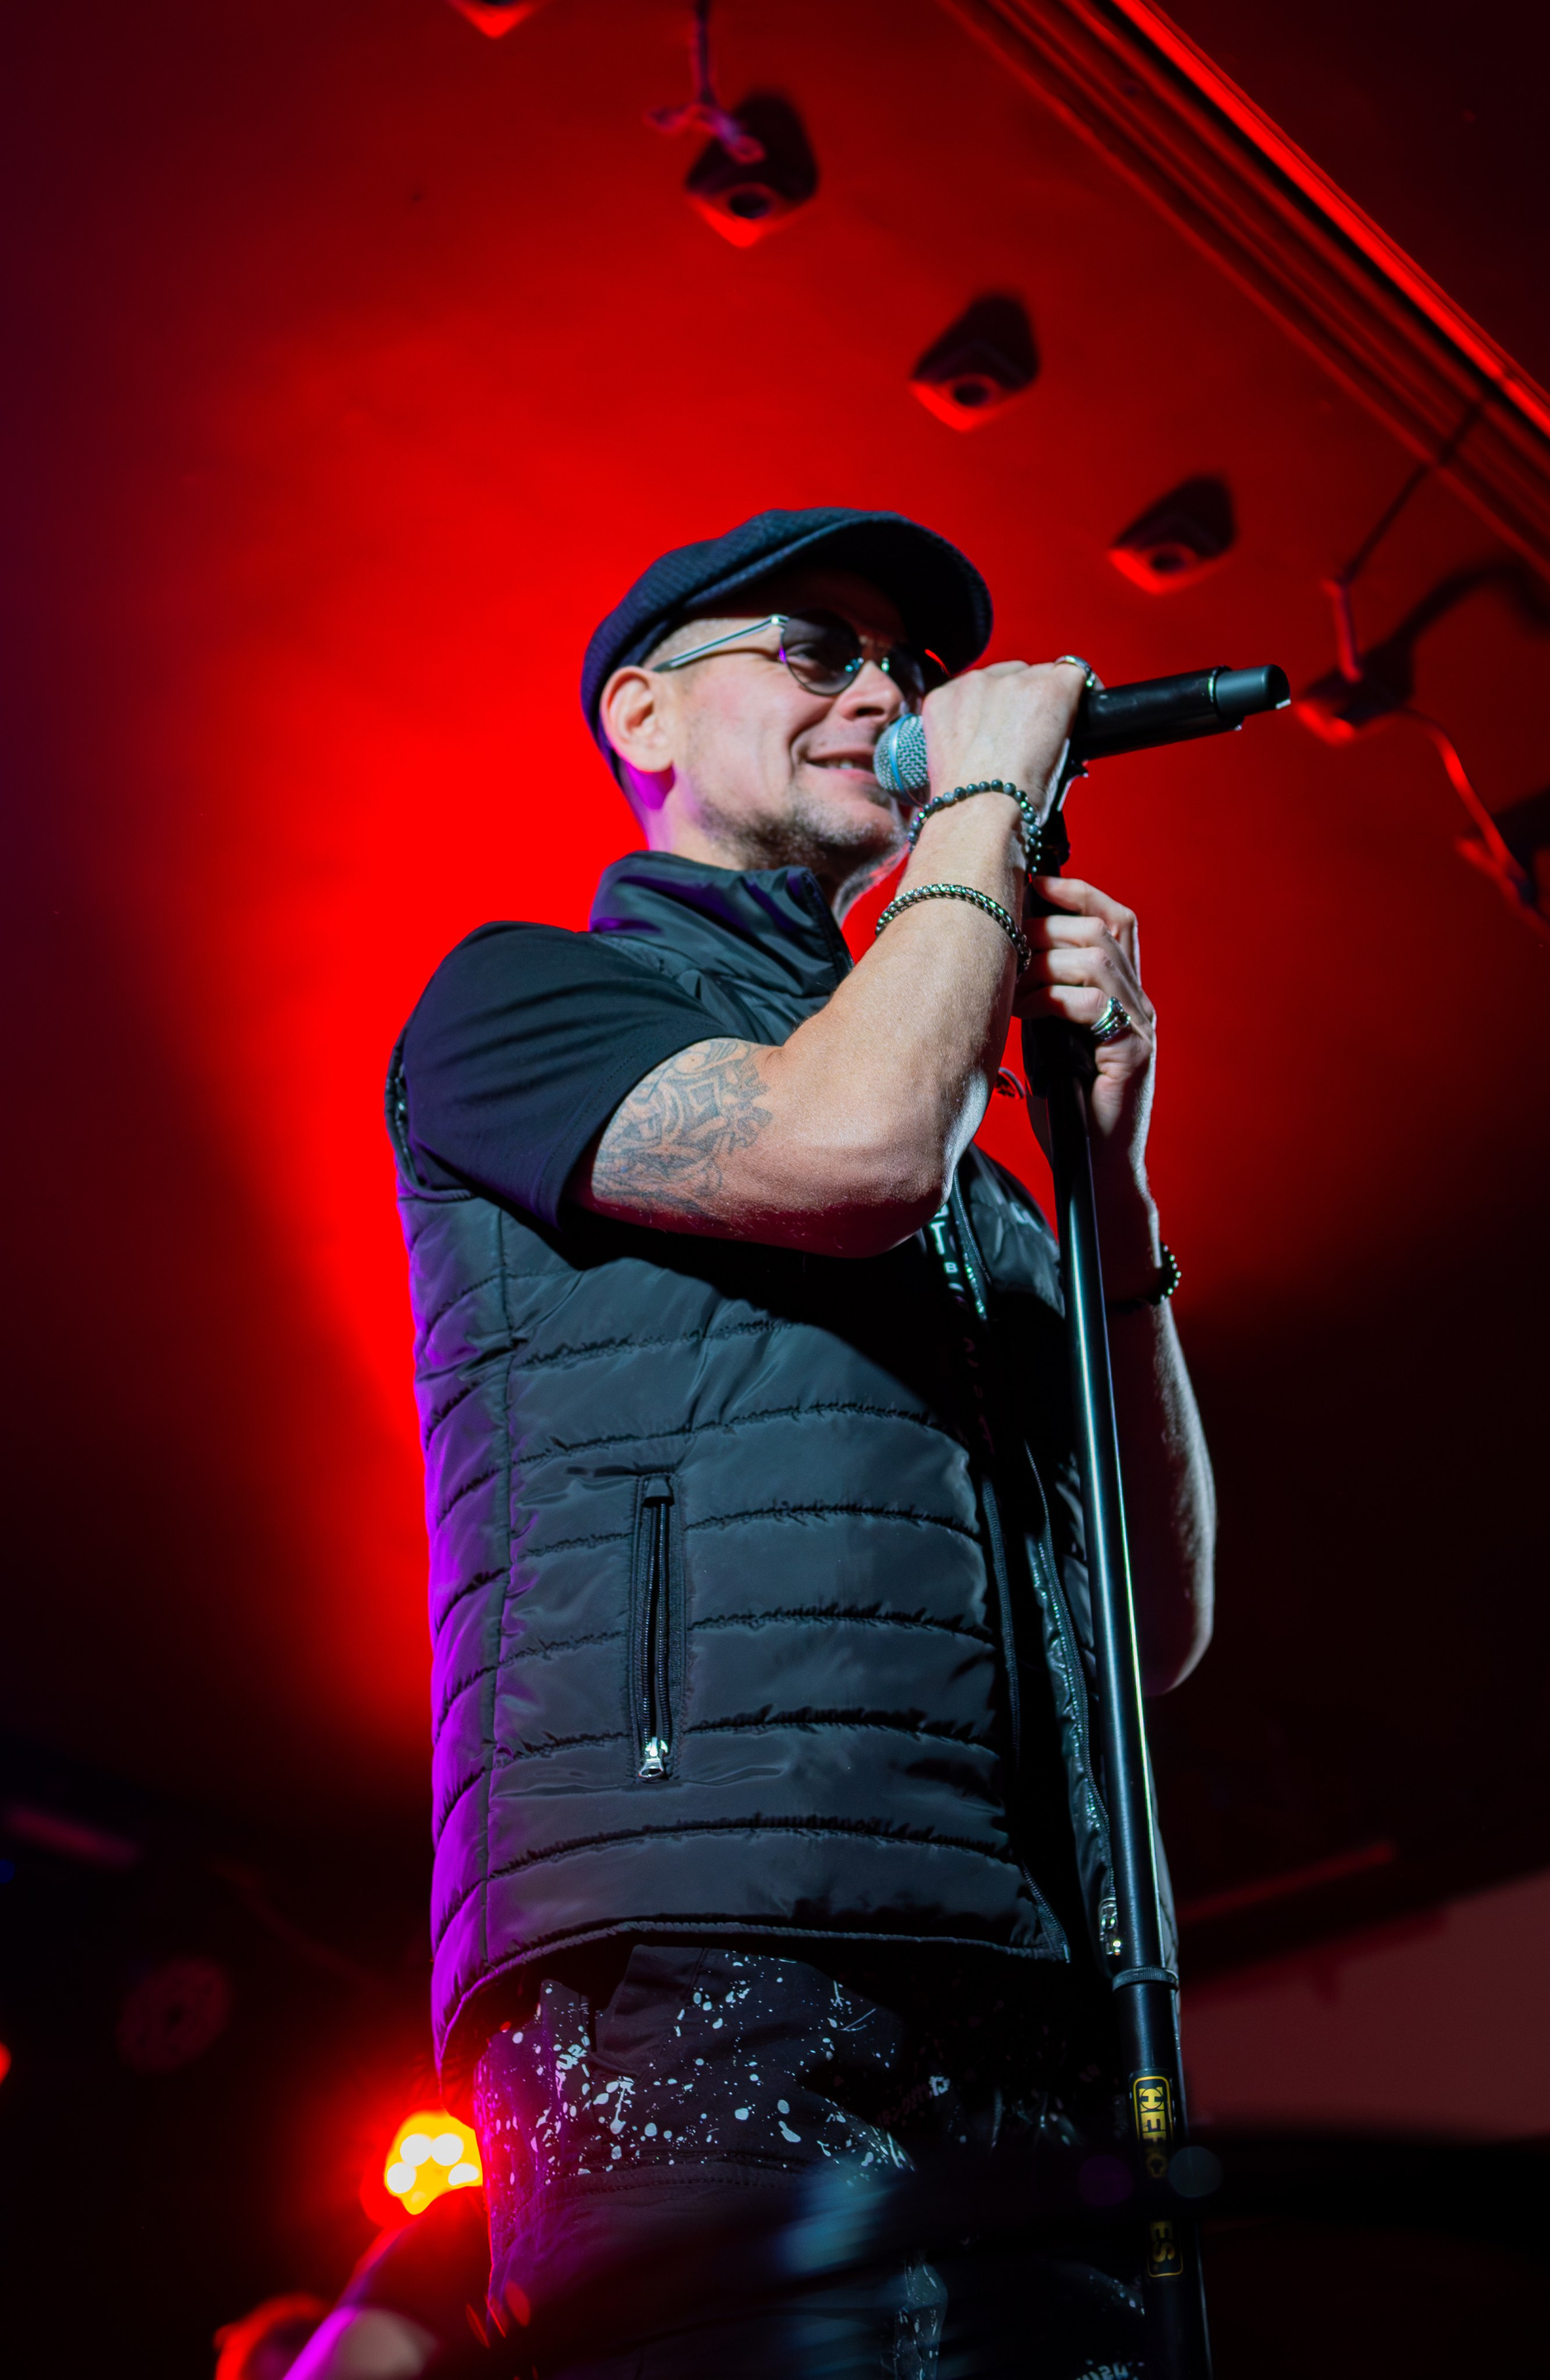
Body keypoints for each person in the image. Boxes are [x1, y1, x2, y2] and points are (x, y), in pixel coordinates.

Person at [370, 506, 1215, 2379]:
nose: (887, 694)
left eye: (911, 670)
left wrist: (1107, 1176)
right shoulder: (524, 1002)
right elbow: (848, 1143)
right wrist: (983, 800)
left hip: (1032, 1999)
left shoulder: (976, 1186)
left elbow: (1154, 1629)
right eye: (819, 648)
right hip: (700, 1960)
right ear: (645, 715)